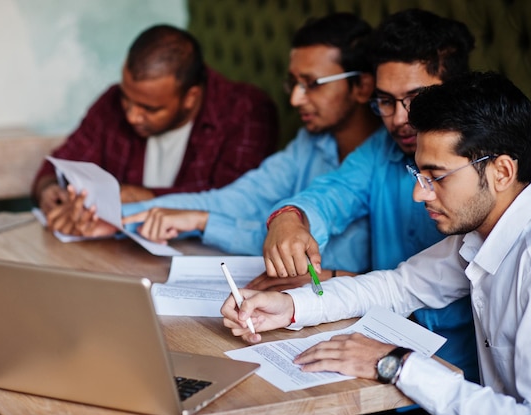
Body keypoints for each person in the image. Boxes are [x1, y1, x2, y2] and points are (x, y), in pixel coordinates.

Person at [222, 71, 531, 415]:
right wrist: (289, 306)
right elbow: (397, 287)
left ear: (502, 173)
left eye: (436, 177)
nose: (419, 193)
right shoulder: (483, 233)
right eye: (419, 176)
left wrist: (395, 363)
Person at [62, 13, 383, 276]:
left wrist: (202, 222)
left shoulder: (387, 158)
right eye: (294, 83)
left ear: (362, 86)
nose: (296, 98)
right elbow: (235, 199)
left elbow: (312, 253)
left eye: (312, 84)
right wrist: (114, 216)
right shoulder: (309, 143)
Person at [259, 8, 480, 384]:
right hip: (374, 354)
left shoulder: (490, 172)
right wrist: (289, 217)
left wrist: (340, 279)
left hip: (457, 375)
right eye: (386, 101)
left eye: (416, 98)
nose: (398, 119)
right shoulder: (379, 149)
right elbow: (331, 194)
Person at [31, 24, 278, 231]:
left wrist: (143, 197)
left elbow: (236, 203)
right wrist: (50, 191)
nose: (132, 116)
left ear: (190, 97)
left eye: (149, 109)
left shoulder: (246, 112)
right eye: (127, 99)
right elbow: (57, 165)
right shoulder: (112, 102)